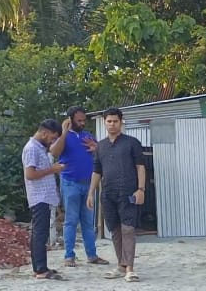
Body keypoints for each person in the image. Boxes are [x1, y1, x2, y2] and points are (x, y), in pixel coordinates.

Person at [87, 107, 146, 282]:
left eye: (115, 121)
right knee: (115, 230)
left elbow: (140, 167)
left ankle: (130, 269)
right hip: (108, 193)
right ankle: (121, 265)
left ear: (121, 122)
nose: (112, 124)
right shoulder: (101, 146)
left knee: (128, 229)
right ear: (104, 122)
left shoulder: (131, 142)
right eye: (109, 121)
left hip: (128, 191)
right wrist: (91, 193)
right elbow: (96, 171)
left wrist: (141, 189)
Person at [49, 106, 108, 268]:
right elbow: (54, 152)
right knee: (71, 221)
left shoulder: (87, 136)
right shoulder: (63, 137)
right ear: (70, 120)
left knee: (88, 222)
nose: (82, 123)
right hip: (70, 183)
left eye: (84, 120)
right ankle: (69, 256)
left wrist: (96, 149)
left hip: (88, 184)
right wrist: (64, 132)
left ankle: (92, 255)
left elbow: (102, 155)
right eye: (79, 120)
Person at [22, 119, 66, 280]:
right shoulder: (32, 149)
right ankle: (39, 269)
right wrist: (52, 170)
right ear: (44, 132)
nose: (52, 141)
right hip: (38, 197)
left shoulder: (40, 149)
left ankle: (42, 266)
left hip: (45, 197)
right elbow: (30, 174)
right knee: (39, 233)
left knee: (42, 233)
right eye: (52, 138)